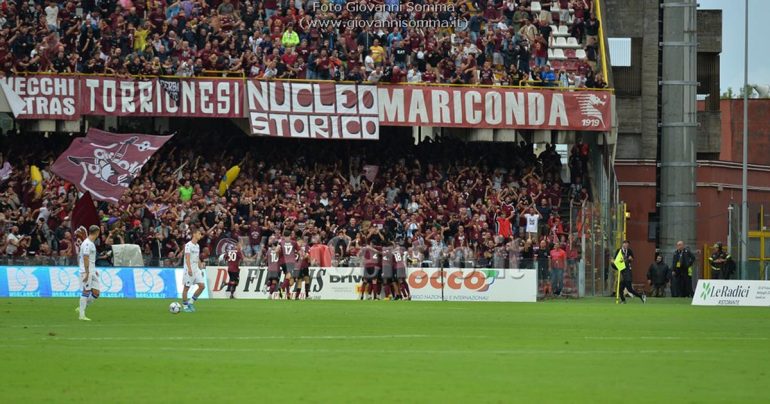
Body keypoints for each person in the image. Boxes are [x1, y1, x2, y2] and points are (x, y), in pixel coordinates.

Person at [77, 225, 101, 321]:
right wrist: (87, 272)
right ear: (97, 232)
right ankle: (81, 315)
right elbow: (86, 258)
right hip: (86, 271)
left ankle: (81, 307)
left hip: (91, 270)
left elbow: (90, 259)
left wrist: (93, 269)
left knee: (96, 293)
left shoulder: (90, 243)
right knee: (86, 291)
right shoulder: (87, 244)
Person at [182, 229, 205, 312]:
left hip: (196, 269)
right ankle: (185, 306)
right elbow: (187, 258)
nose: (200, 235)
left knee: (202, 286)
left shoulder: (197, 246)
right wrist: (189, 269)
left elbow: (197, 257)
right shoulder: (188, 245)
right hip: (189, 269)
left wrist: (201, 268)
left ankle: (191, 303)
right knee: (186, 288)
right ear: (194, 234)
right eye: (199, 233)